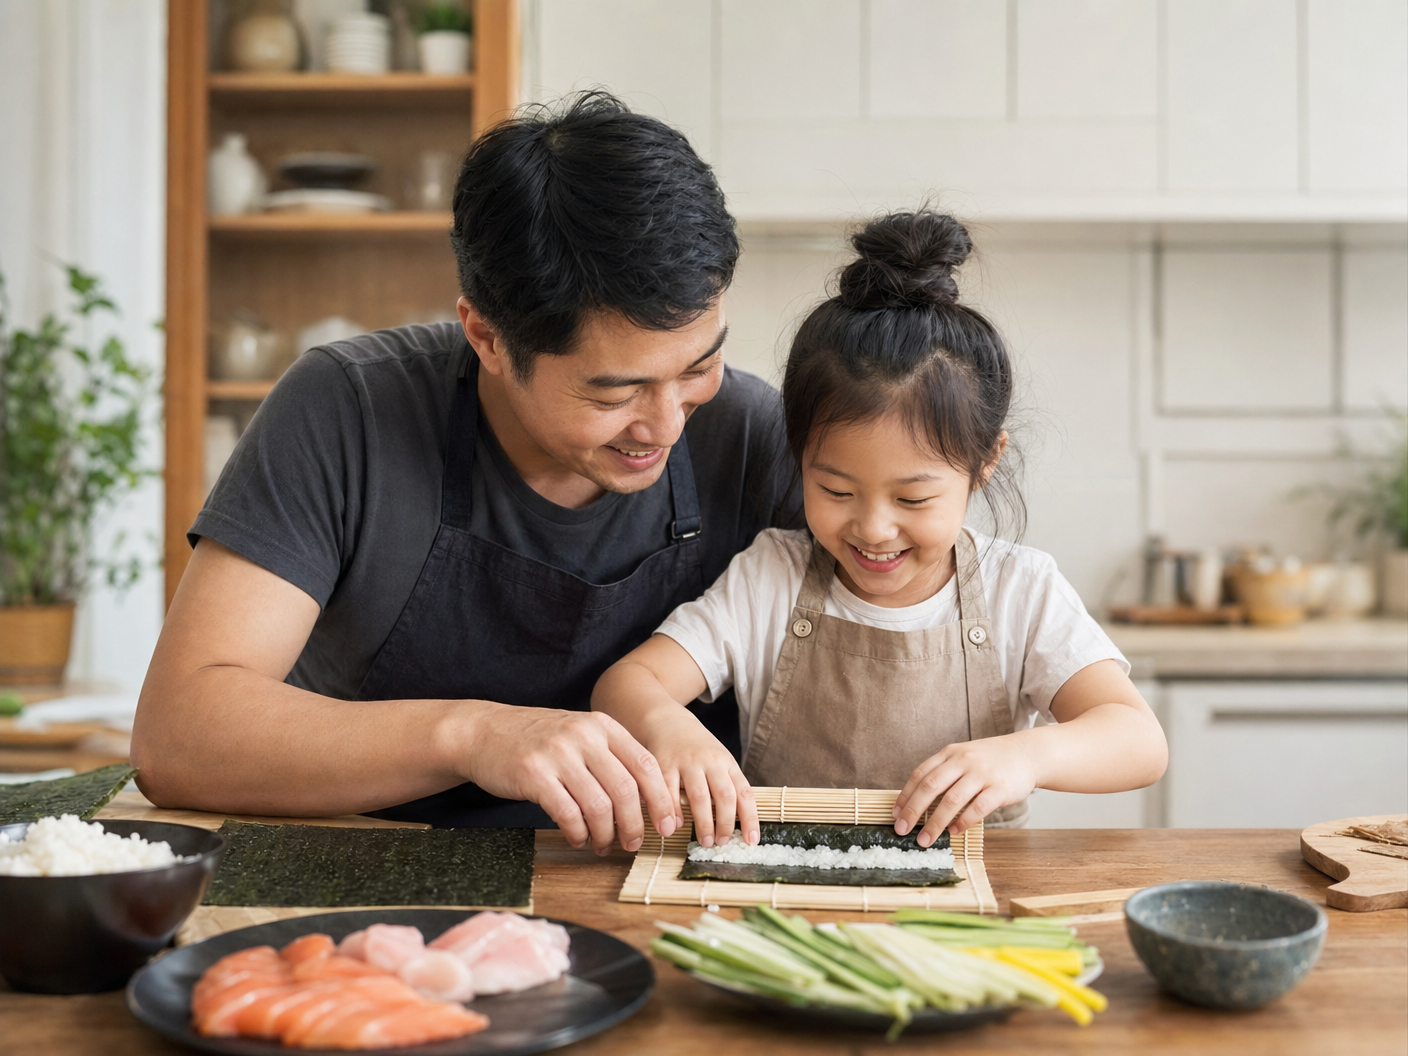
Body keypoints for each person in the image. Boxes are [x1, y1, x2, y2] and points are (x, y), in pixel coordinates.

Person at [131, 93, 799, 852]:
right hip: (372, 873)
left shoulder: (751, 432)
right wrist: (475, 734)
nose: (668, 423)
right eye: (613, 392)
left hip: (661, 885)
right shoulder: (347, 410)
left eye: (699, 367)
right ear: (485, 333)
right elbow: (179, 737)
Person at [591, 210, 1169, 850]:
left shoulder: (1020, 592)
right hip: (785, 902)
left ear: (984, 463)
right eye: (834, 490)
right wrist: (672, 729)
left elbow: (1138, 741)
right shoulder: (771, 577)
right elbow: (623, 686)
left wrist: (1025, 758)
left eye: (913, 497)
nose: (873, 527)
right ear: (798, 457)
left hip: (970, 913)